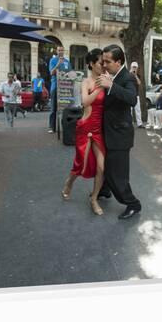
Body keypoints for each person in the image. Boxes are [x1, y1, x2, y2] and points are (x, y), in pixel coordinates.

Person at [94, 44, 142, 220]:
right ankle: (105, 190)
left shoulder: (127, 77)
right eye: (103, 61)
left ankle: (133, 204)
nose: (104, 64)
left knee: (118, 174)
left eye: (107, 61)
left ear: (118, 61)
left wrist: (111, 85)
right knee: (107, 166)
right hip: (110, 132)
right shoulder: (113, 75)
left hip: (120, 136)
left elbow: (131, 99)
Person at [61, 49, 106, 216]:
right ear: (92, 64)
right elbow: (85, 102)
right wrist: (99, 87)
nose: (103, 65)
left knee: (101, 167)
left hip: (99, 129)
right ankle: (69, 182)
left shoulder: (106, 80)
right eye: (101, 62)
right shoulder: (86, 82)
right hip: (86, 127)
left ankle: (94, 198)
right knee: (81, 163)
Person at [48, 44, 72, 133]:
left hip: (65, 87)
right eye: (59, 50)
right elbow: (51, 73)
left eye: (62, 50)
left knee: (65, 108)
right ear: (56, 51)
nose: (60, 52)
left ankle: (65, 126)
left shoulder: (67, 61)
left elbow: (70, 73)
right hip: (55, 86)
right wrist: (58, 64)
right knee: (53, 108)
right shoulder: (53, 60)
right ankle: (51, 127)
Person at [129, 61, 144, 128]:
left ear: (137, 68)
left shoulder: (138, 75)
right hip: (129, 95)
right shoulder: (128, 74)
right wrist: (130, 72)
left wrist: (135, 75)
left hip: (136, 95)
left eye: (135, 67)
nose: (134, 68)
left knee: (138, 110)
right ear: (131, 67)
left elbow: (139, 83)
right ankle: (129, 123)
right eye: (133, 67)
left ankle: (139, 124)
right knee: (129, 110)